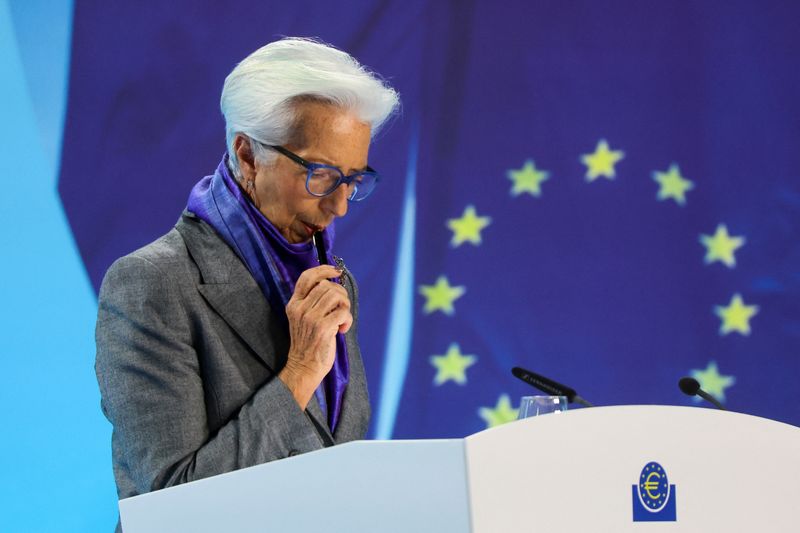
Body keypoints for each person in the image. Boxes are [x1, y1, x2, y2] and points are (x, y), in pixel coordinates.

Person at [94, 37, 400, 513]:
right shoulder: (151, 284)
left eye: (353, 180)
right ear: (248, 155)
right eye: (320, 174)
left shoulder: (332, 284)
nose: (339, 205)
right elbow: (172, 506)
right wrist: (299, 373)